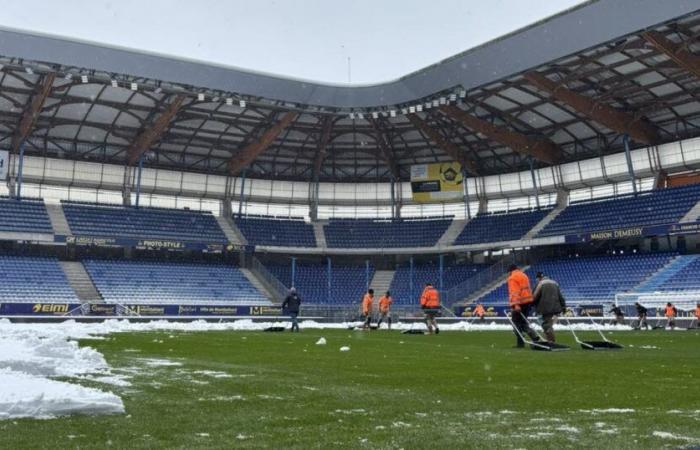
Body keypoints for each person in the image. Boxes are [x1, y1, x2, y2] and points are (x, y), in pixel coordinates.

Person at [507, 264, 540, 347]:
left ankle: (521, 342)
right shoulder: (524, 275)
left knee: (516, 323)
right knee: (523, 322)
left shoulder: (512, 278)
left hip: (520, 303)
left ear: (510, 271)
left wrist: (516, 305)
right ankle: (533, 336)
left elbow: (514, 292)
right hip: (527, 302)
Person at [532, 272, 566, 343]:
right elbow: (561, 297)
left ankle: (551, 341)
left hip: (544, 308)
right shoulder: (555, 283)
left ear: (538, 278)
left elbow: (534, 296)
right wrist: (563, 307)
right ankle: (549, 340)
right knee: (549, 323)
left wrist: (531, 304)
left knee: (545, 324)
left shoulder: (540, 284)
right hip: (555, 308)